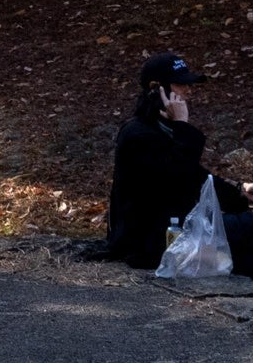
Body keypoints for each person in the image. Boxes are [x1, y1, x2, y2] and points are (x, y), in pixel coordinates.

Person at [84, 52, 206, 268]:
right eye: (180, 84)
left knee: (248, 226)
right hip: (147, 241)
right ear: (156, 89)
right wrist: (182, 125)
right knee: (252, 231)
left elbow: (196, 174)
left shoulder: (166, 127)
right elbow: (178, 174)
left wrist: (239, 189)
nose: (188, 91)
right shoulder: (138, 134)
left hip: (170, 228)